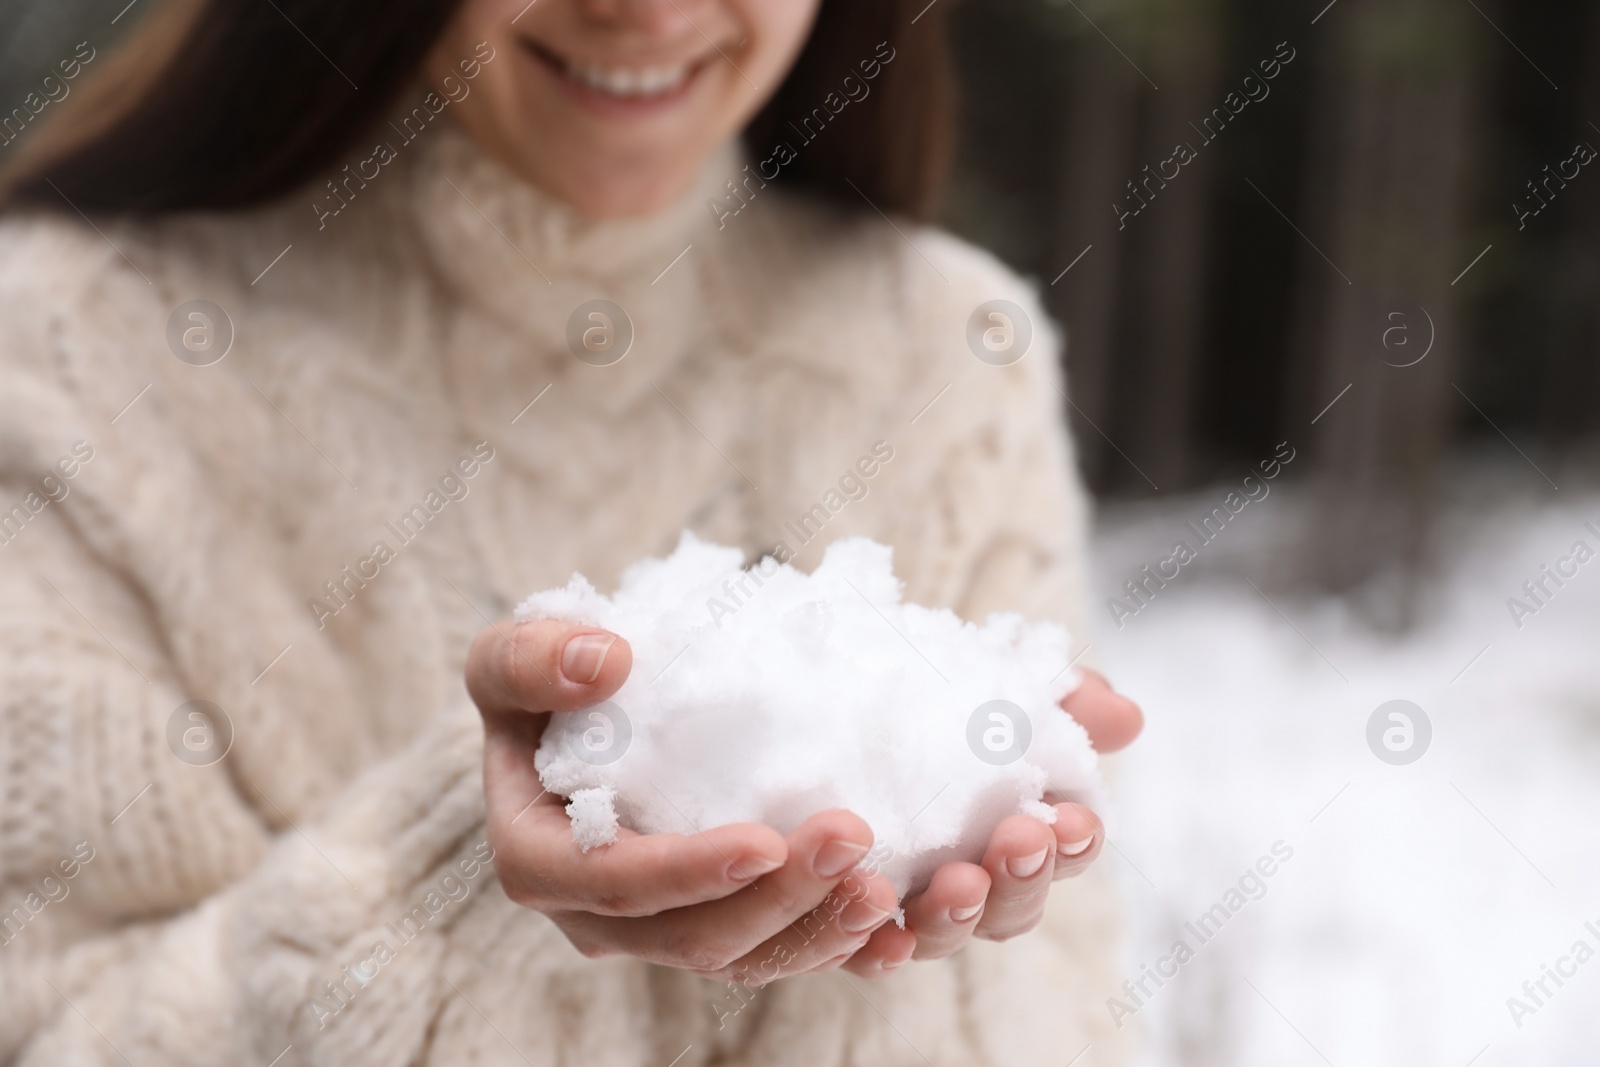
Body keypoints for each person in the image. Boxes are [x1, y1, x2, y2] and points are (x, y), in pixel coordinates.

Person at [0, 0, 1143, 1063]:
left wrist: (902, 909)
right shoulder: (65, 346)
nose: (645, 7)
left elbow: (1083, 1018)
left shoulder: (952, 350)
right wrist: (477, 858)